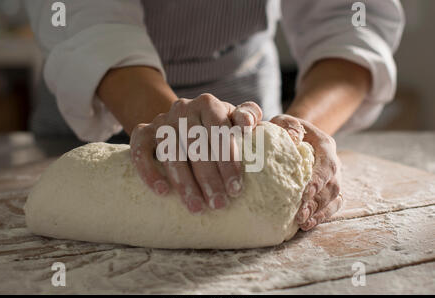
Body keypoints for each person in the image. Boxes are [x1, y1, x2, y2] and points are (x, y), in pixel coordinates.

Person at [24, 0, 404, 231]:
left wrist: (298, 134)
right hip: (96, 103)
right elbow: (86, 20)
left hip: (250, 113)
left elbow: (351, 18)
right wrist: (177, 135)